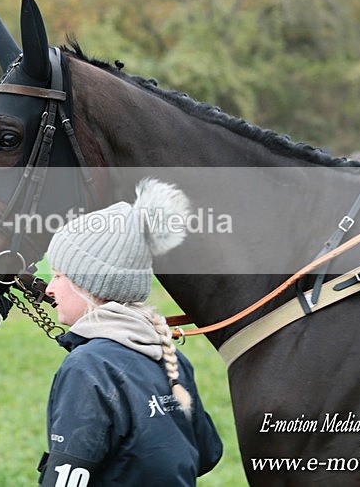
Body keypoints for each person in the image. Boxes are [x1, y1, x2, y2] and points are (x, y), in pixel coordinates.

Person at [38, 178, 223, 485]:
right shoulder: (168, 354)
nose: (49, 288)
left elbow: (67, 480)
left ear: (89, 284)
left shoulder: (87, 367)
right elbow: (208, 452)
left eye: (58, 276)